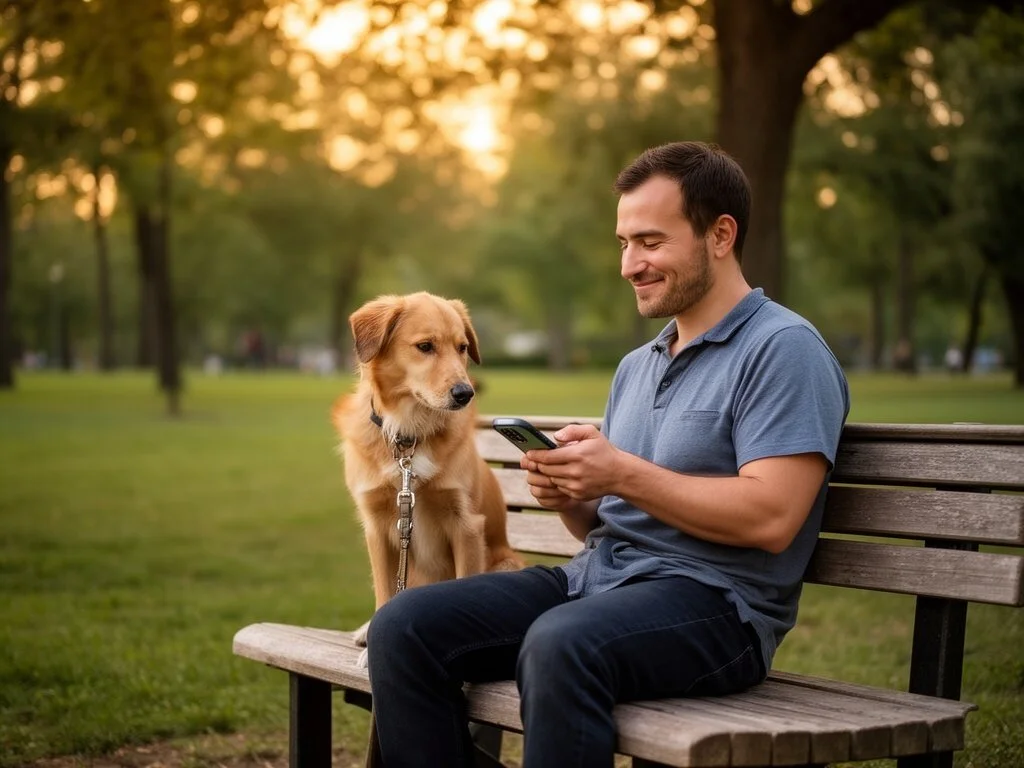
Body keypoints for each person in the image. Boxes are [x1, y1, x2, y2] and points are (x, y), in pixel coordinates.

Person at [366, 141, 850, 768]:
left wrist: (621, 470)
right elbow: (611, 522)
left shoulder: (784, 350)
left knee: (560, 644)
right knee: (403, 628)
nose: (630, 264)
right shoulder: (639, 366)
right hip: (599, 581)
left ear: (721, 234)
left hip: (718, 609)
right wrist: (576, 494)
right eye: (624, 243)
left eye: (651, 241)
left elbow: (772, 518)